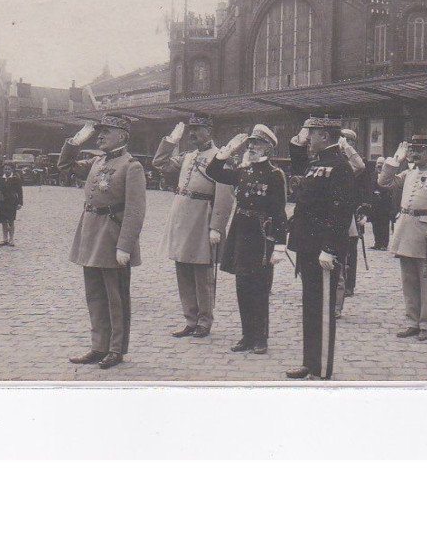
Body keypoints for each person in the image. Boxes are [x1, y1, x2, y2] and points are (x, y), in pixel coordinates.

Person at [58, 113, 147, 370]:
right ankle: (98, 346)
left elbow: (135, 210)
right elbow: (65, 167)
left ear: (122, 135)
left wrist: (125, 245)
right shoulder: (97, 162)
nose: (100, 136)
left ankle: (116, 349)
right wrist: (74, 143)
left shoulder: (132, 166)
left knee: (115, 296)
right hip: (91, 233)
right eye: (99, 132)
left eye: (105, 131)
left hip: (112, 236)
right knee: (94, 294)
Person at [205, 124, 287, 354]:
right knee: (242, 286)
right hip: (241, 233)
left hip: (262, 236)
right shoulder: (243, 171)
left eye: (257, 144)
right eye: (250, 144)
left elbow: (280, 211)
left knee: (260, 288)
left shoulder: (275, 175)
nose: (251, 147)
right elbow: (214, 172)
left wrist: (280, 244)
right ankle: (246, 335)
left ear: (268, 149)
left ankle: (261, 338)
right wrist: (226, 152)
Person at [286, 116, 356, 379]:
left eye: (312, 133)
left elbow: (341, 211)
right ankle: (310, 362)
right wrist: (300, 140)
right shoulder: (318, 163)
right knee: (311, 306)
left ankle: (322, 368)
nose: (308, 137)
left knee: (324, 308)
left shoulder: (339, 166)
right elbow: (299, 163)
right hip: (308, 246)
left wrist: (330, 248)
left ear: (325, 136)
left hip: (323, 250)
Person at [153, 114, 234, 339]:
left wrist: (217, 226)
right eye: (190, 129)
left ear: (210, 131)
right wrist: (170, 141)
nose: (192, 133)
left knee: (202, 274)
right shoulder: (187, 156)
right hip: (181, 218)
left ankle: (204, 321)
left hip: (202, 218)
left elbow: (225, 196)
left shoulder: (220, 158)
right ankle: (190, 319)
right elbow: (160, 164)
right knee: (183, 270)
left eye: (198, 129)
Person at [378, 135, 427, 341]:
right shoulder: (409, 172)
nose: (414, 153)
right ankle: (412, 321)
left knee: (425, 281)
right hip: (406, 230)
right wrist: (395, 161)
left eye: (420, 150)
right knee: (408, 280)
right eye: (412, 150)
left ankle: (426, 324)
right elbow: (384, 182)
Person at [338, 128, 367, 308]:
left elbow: (365, 189)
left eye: (348, 140)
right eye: (343, 139)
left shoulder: (355, 162)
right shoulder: (337, 161)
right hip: (338, 212)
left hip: (352, 212)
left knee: (351, 252)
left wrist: (363, 212)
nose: (345, 143)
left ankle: (349, 285)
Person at [0, 161, 23, 246]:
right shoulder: (0, 179)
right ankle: (5, 239)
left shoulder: (16, 179)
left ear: (12, 170)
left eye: (9, 169)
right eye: (5, 169)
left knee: (11, 221)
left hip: (11, 203)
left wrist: (20, 203)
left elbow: (20, 192)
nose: (7, 170)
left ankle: (11, 239)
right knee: (3, 221)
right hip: (1, 203)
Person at [369, 156, 392, 250]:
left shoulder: (388, 176)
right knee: (375, 224)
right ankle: (377, 243)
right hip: (375, 204)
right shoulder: (373, 174)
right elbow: (370, 186)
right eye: (378, 163)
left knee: (384, 225)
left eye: (381, 164)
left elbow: (389, 188)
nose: (379, 165)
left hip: (384, 204)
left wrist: (380, 192)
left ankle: (384, 244)